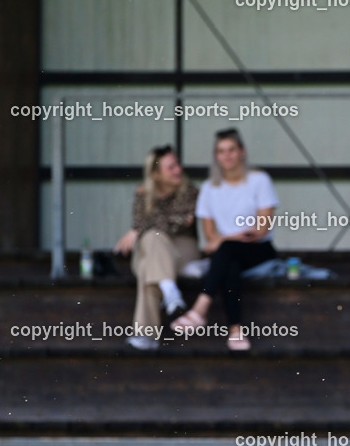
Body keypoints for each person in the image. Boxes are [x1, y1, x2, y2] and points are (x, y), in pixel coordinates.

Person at [170, 128, 278, 351]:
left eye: (231, 150)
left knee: (227, 249)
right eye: (221, 151)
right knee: (230, 264)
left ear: (242, 152)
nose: (227, 155)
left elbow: (262, 228)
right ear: (216, 156)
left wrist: (226, 238)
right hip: (227, 253)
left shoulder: (259, 180)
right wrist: (227, 239)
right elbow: (209, 235)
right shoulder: (210, 188)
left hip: (258, 249)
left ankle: (200, 309)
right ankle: (236, 331)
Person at [113, 145, 199, 351]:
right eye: (171, 167)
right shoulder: (143, 193)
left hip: (182, 249)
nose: (178, 170)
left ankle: (146, 335)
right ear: (156, 174)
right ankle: (169, 288)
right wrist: (145, 228)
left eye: (177, 164)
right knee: (153, 239)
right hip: (152, 248)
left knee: (147, 265)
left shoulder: (191, 191)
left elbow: (180, 222)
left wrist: (139, 229)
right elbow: (159, 223)